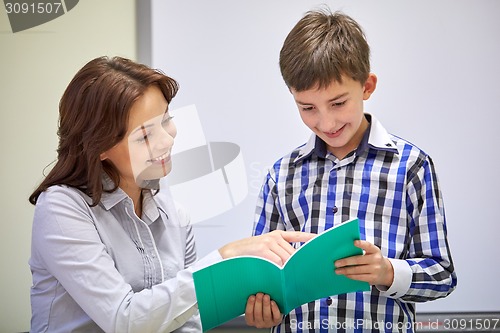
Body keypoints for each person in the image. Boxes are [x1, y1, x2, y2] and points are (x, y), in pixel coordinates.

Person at [28, 56, 315, 332]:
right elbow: (124, 321)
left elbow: (187, 321)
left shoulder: (173, 213)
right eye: (144, 136)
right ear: (99, 147)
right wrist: (226, 256)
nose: (167, 140)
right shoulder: (61, 208)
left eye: (166, 120)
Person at [251, 8, 457, 332]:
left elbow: (442, 274)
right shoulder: (281, 176)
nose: (326, 122)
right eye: (307, 108)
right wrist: (264, 306)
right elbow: (261, 276)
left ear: (367, 87)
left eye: (338, 103)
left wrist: (387, 272)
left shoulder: (412, 167)